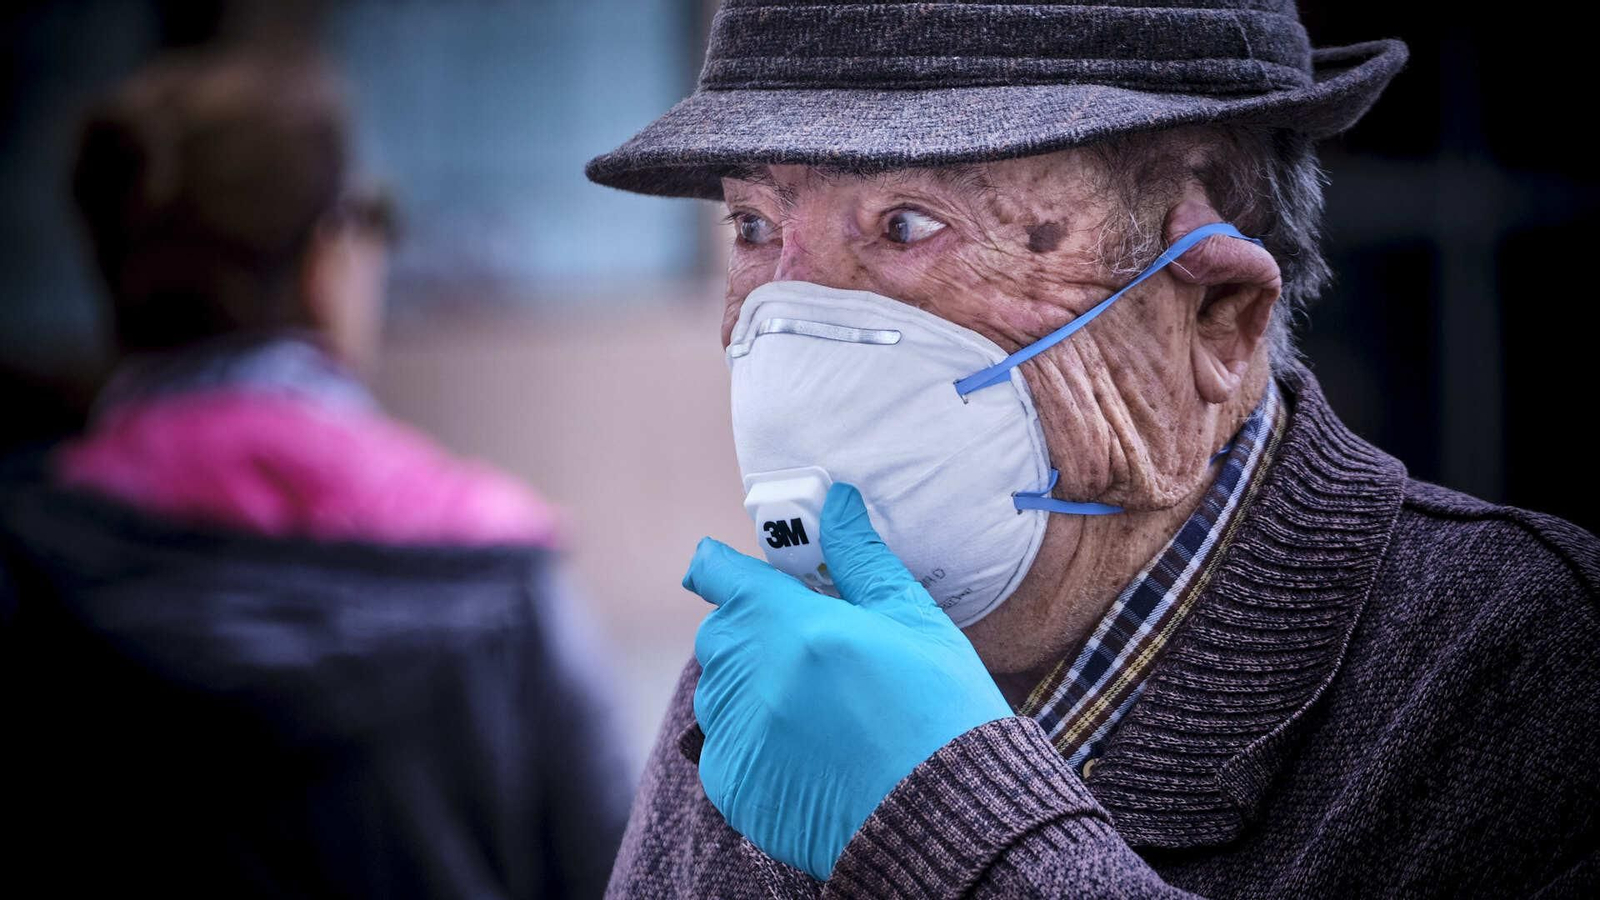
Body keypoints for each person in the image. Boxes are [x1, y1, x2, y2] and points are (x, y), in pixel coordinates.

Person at [584, 1, 1599, 896]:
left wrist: (942, 818)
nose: (791, 326)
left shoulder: (1528, 664)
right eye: (756, 226)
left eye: (905, 224)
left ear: (1215, 314)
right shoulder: (776, 671)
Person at [0, 49, 628, 898]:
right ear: (325, 258)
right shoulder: (492, 568)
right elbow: (619, 869)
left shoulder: (31, 560)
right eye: (371, 216)